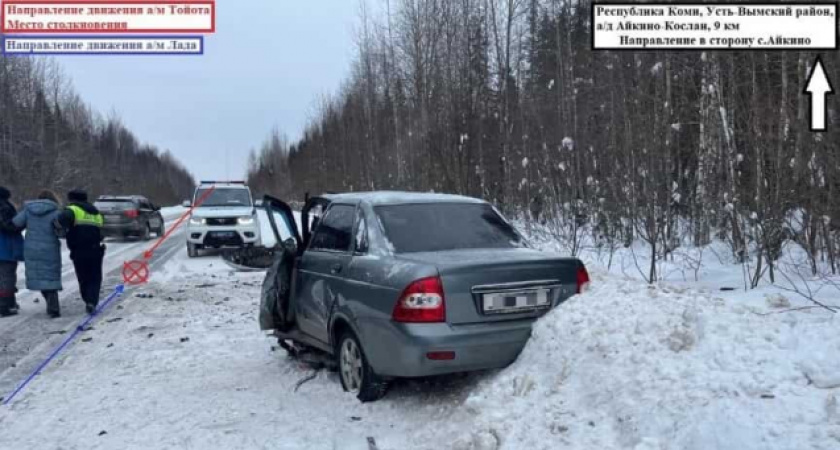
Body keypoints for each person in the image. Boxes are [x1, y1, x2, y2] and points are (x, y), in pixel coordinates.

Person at [13, 190, 63, 318]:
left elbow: (16, 223)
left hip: (31, 247)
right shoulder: (56, 212)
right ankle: (53, 307)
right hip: (50, 247)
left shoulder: (28, 210)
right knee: (50, 276)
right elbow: (61, 232)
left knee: (39, 276)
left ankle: (51, 304)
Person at [58, 189, 105, 314]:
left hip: (78, 249)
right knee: (95, 277)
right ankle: (92, 301)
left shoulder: (72, 210)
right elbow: (101, 233)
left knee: (83, 277)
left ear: (72, 199)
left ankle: (87, 299)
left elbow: (59, 222)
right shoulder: (96, 212)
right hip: (95, 249)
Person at [0, 187, 25, 317]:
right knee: (7, 277)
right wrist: (22, 223)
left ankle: (10, 303)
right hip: (5, 247)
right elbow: (9, 227)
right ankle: (5, 306)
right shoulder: (4, 206)